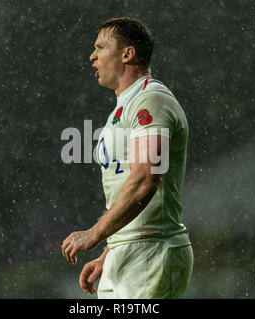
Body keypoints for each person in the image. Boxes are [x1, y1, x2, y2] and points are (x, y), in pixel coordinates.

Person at [61, 17, 193, 298]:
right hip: (126, 251)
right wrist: (110, 252)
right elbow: (128, 187)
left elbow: (146, 180)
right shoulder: (124, 108)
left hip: (152, 251)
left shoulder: (151, 101)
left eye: (100, 47)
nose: (92, 56)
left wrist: (94, 234)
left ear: (127, 54)